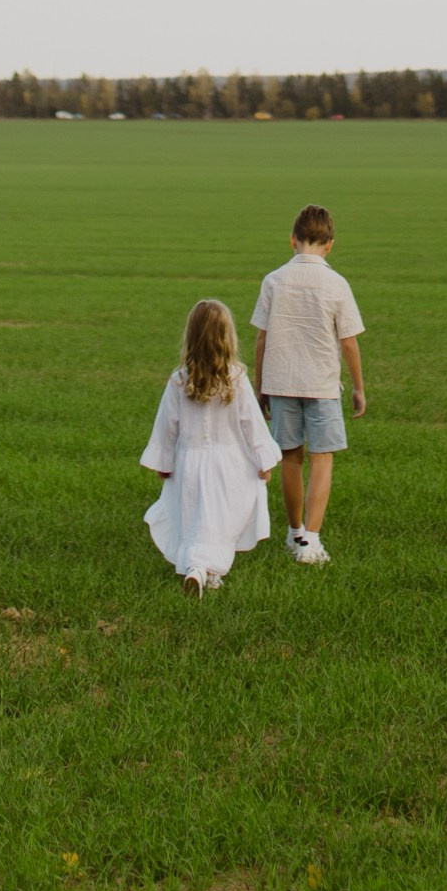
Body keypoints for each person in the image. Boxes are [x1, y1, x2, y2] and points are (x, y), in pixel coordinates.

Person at [140, 298, 283, 597]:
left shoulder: (180, 381)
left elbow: (168, 426)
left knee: (194, 518)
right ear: (226, 337)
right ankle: (205, 570)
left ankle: (198, 569)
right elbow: (252, 425)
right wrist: (264, 460)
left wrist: (164, 463)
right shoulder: (237, 380)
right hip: (229, 464)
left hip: (190, 462)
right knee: (220, 519)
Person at [250, 203, 366, 567]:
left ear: (292, 240)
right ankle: (310, 542)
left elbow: (261, 339)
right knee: (323, 458)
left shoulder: (273, 280)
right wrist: (359, 386)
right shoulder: (337, 283)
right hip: (322, 384)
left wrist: (260, 387)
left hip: (281, 382)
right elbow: (348, 341)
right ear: (330, 244)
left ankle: (293, 531)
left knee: (289, 457)